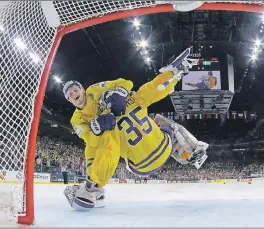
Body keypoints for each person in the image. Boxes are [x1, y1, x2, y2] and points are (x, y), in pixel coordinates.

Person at [63, 48, 209, 210]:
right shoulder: (133, 98)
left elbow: (102, 147)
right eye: (70, 94)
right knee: (160, 120)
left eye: (75, 90)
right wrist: (173, 75)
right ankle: (191, 151)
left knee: (98, 147)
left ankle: (93, 188)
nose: (74, 93)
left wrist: (98, 127)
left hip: (139, 167)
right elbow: (154, 88)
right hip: (164, 148)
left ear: (82, 90)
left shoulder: (104, 124)